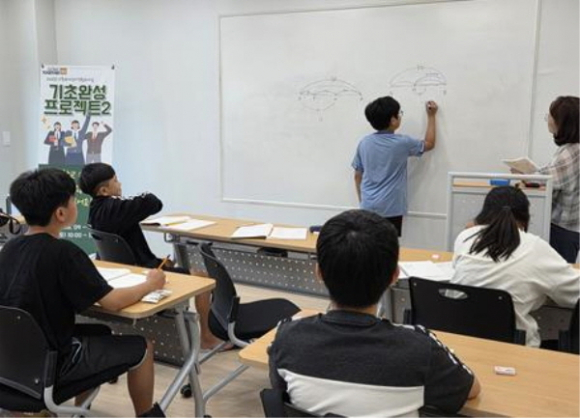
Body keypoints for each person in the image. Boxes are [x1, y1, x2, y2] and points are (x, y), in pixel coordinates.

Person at [269, 210, 480, 417]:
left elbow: (280, 391)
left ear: (319, 273)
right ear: (394, 276)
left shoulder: (286, 338)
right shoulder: (420, 348)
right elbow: (471, 389)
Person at [0, 168, 166, 417]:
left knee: (101, 333)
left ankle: (77, 412)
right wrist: (150, 284)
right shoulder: (64, 253)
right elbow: (112, 302)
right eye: (72, 200)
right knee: (143, 347)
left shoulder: (9, 249)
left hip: (13, 367)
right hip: (53, 367)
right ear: (61, 213)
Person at [79, 163, 223, 349]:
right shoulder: (118, 207)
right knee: (203, 279)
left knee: (170, 264)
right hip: (143, 272)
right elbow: (153, 202)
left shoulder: (93, 212)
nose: (120, 184)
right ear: (104, 190)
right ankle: (207, 337)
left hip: (123, 271)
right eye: (115, 181)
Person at [451, 186, 579, 347]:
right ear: (525, 219)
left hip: (462, 345)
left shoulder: (465, 237)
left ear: (484, 213)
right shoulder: (535, 247)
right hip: (514, 350)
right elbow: (574, 293)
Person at [352, 96, 438, 236]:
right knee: (388, 244)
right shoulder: (402, 142)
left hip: (367, 205)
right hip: (391, 207)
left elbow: (357, 176)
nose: (400, 116)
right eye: (399, 114)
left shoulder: (364, 142)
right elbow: (429, 143)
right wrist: (431, 116)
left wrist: (363, 201)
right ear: (393, 120)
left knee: (368, 242)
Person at [538, 96, 579, 262]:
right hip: (566, 229)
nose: (548, 119)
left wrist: (527, 174)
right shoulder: (570, 149)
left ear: (563, 122)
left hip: (563, 229)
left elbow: (548, 179)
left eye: (550, 115)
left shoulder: (572, 151)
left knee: (557, 274)